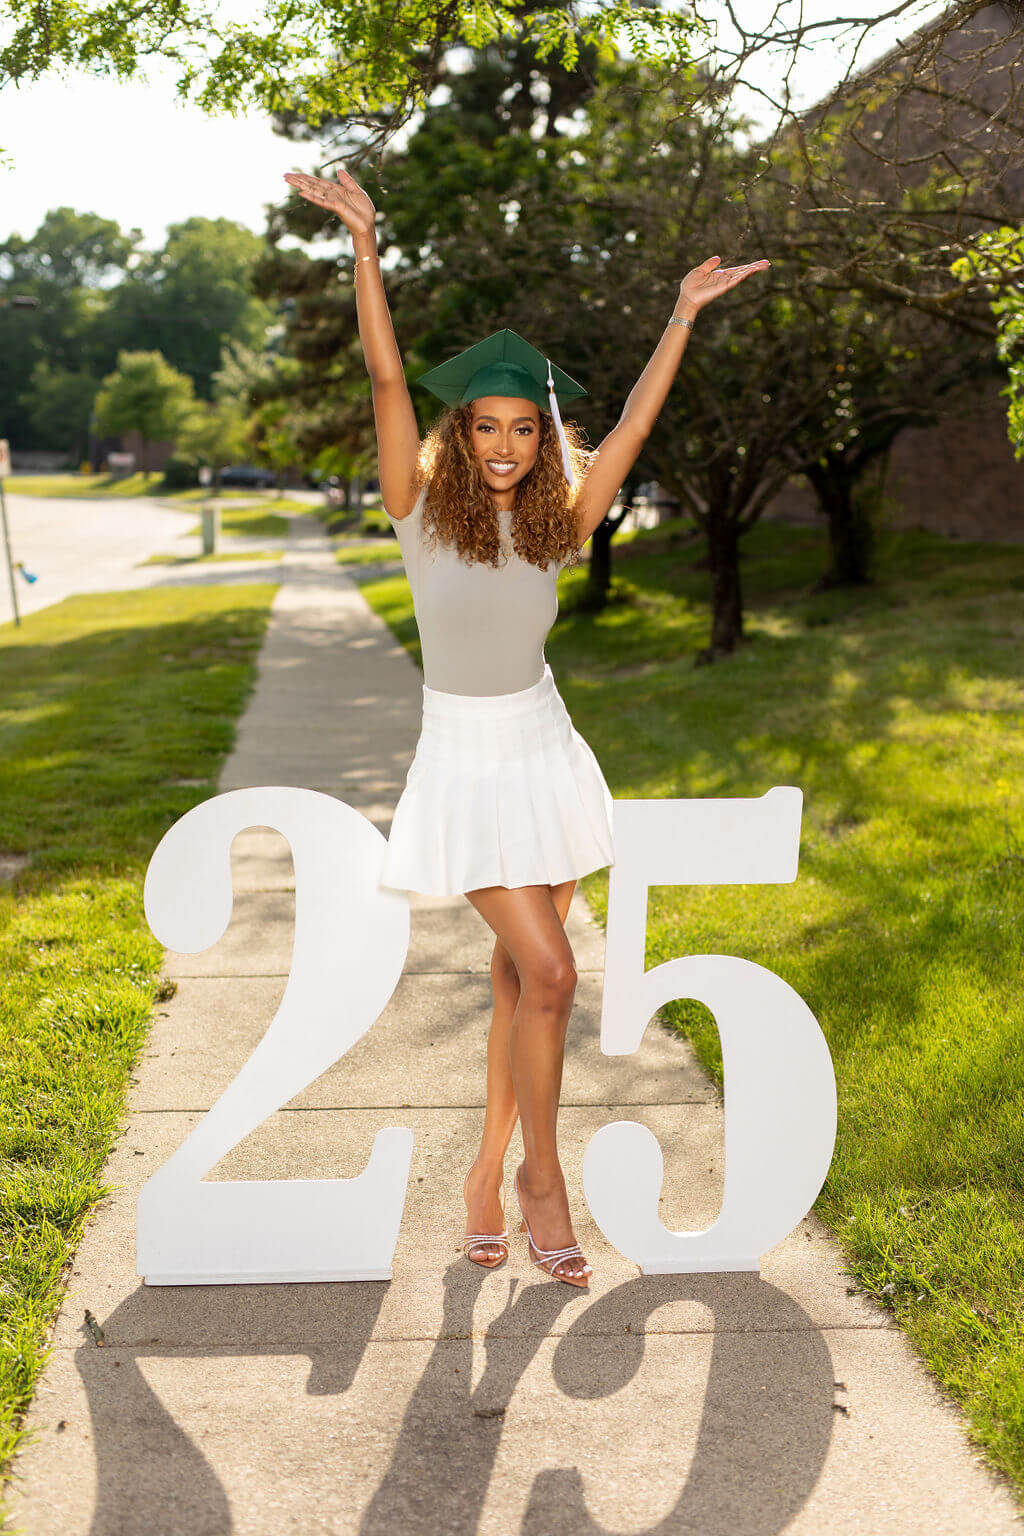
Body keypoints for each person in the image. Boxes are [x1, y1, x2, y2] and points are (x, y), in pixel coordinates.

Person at [283, 163, 770, 1288]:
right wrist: (364, 245)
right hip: (464, 764)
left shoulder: (559, 521)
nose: (503, 445)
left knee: (518, 983)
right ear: (461, 433)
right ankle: (542, 1182)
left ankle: (484, 1175)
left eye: (521, 429)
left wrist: (680, 316)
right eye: (485, 427)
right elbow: (386, 372)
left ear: (544, 439)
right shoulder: (416, 510)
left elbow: (636, 423)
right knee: (551, 972)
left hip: (545, 751)